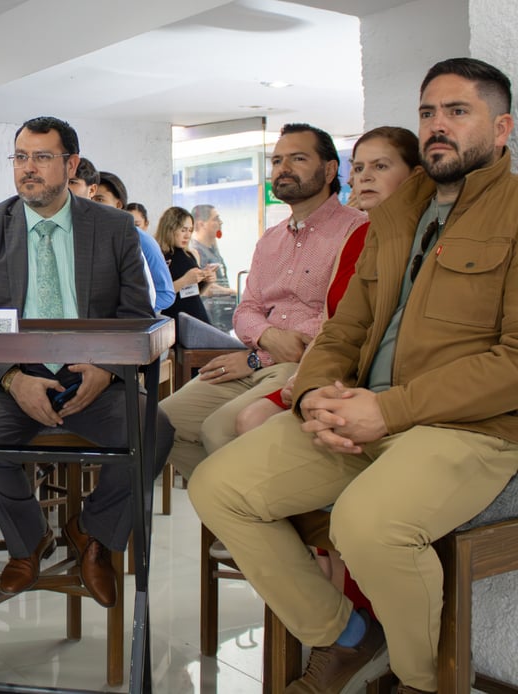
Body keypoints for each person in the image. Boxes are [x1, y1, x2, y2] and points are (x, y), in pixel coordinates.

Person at [190, 58, 518, 694]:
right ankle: (343, 636)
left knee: (367, 525)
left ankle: (420, 681)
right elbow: (345, 327)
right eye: (428, 113)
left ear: (501, 128)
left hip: (468, 428)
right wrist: (315, 393)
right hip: (360, 409)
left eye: (458, 111)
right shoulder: (398, 216)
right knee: (218, 486)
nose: (438, 125)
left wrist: (387, 411)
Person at [0, 115, 173, 608]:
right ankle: (30, 539)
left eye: (42, 157)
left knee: (153, 429)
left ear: (71, 164)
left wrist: (107, 369)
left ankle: (93, 533)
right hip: (9, 375)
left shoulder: (113, 227)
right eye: (20, 157)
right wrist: (12, 379)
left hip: (89, 372)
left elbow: (137, 315)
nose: (28, 168)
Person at [159, 123, 366, 480]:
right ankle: (235, 507)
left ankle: (246, 506)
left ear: (330, 169)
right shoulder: (270, 240)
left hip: (304, 365)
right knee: (161, 423)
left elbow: (340, 318)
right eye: (277, 161)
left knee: (218, 430)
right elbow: (246, 310)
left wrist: (259, 357)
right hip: (257, 359)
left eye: (298, 159)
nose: (283, 168)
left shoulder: (355, 230)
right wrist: (266, 342)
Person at [235, 126, 422, 435]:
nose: (364, 177)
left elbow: (337, 324)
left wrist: (266, 362)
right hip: (317, 365)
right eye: (359, 168)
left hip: (361, 378)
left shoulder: (358, 230)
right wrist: (271, 355)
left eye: (380, 166)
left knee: (244, 421)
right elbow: (247, 310)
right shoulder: (363, 235)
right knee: (182, 420)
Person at [91, 170, 175, 314]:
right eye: (89, 199)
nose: (92, 205)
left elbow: (165, 293)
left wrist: (129, 314)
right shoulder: (89, 238)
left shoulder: (142, 240)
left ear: (118, 204)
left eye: (100, 200)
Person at [154, 206, 212, 325]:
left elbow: (194, 293)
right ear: (170, 228)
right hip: (176, 321)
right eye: (183, 230)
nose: (187, 235)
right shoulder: (159, 256)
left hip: (198, 319)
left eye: (190, 230)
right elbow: (157, 295)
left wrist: (206, 281)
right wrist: (185, 280)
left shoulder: (190, 254)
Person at [190, 204, 238, 332]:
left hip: (221, 318)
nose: (220, 222)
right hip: (208, 319)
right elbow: (203, 287)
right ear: (201, 224)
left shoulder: (213, 249)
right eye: (215, 219)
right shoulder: (196, 252)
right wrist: (233, 292)